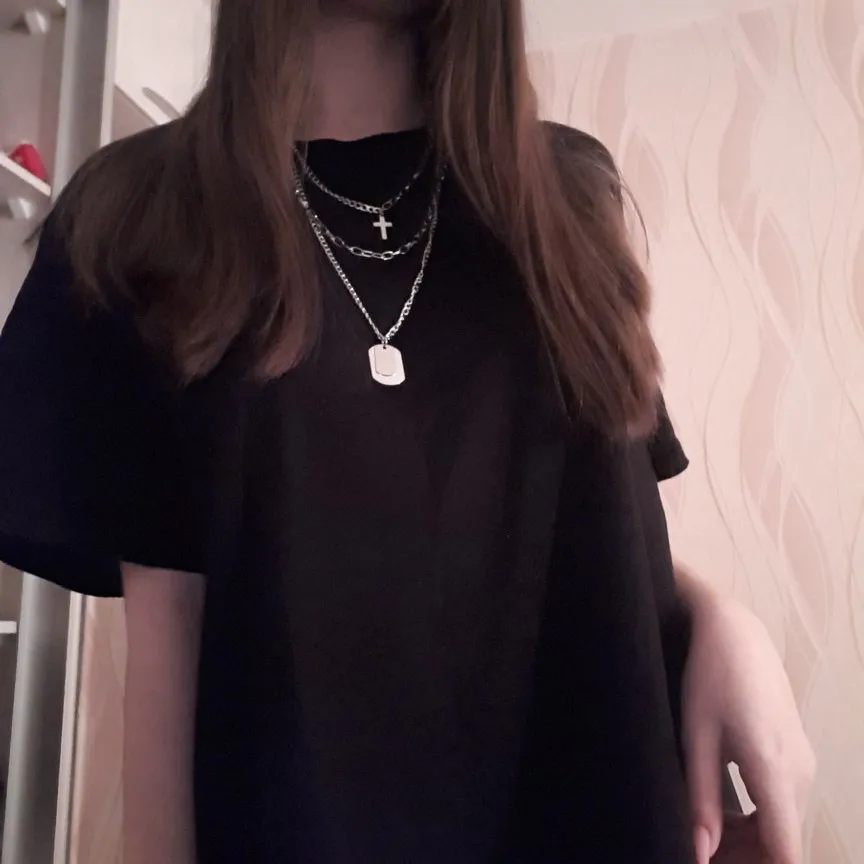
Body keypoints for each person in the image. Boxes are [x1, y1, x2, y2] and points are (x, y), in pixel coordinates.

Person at [0, 1, 814, 862]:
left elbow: (596, 539)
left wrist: (721, 619)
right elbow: (174, 648)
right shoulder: (140, 211)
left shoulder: (571, 193)